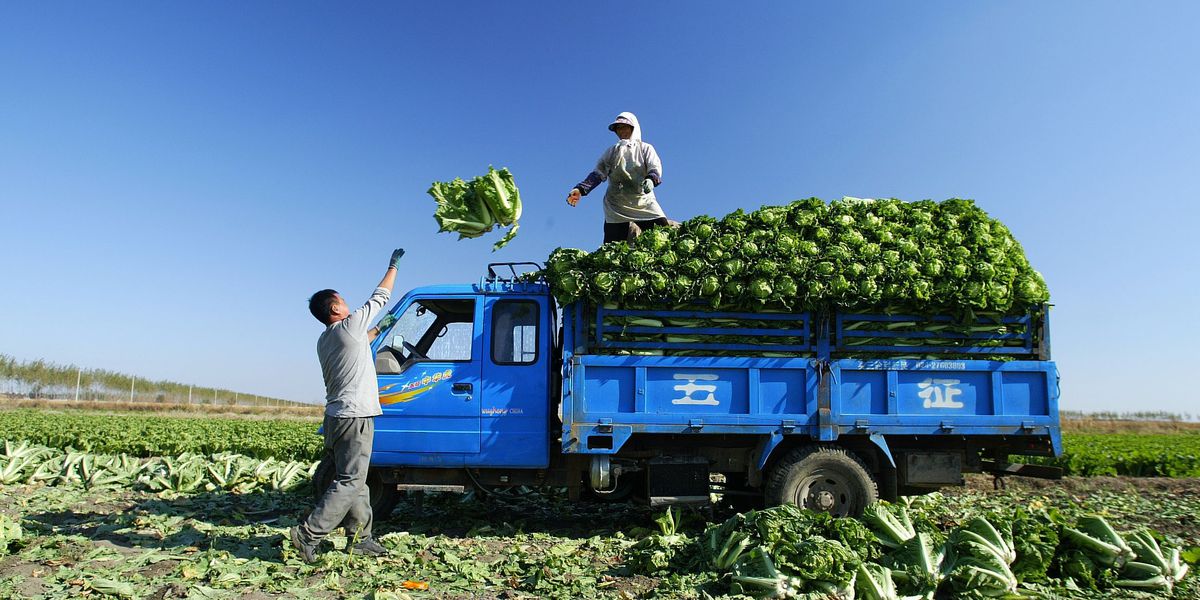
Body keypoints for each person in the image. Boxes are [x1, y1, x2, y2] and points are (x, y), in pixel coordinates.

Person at [291, 248, 405, 563]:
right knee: (350, 480)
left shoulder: (327, 338)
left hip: (337, 416)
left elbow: (361, 339)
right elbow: (380, 296)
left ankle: (360, 538)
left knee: (354, 478)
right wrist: (392, 266)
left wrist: (383, 328)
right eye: (342, 299)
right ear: (336, 307)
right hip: (355, 416)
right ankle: (308, 534)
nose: (348, 302)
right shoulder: (348, 326)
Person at [566, 112, 670, 244]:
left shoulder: (645, 148)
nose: (621, 131)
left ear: (633, 128)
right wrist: (580, 189)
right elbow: (598, 173)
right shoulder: (612, 152)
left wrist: (651, 179)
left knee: (664, 234)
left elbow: (654, 167)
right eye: (618, 128)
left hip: (642, 200)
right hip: (616, 203)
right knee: (613, 245)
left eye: (624, 127)